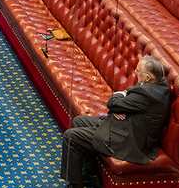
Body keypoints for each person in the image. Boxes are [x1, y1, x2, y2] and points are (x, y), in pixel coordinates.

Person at [61, 55, 172, 187]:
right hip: (125, 125)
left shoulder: (148, 94)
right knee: (78, 121)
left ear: (148, 77)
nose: (135, 73)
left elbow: (113, 103)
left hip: (127, 140)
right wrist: (123, 107)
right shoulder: (160, 84)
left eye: (138, 71)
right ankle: (90, 172)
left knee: (70, 136)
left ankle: (75, 184)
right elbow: (130, 97)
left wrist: (120, 97)